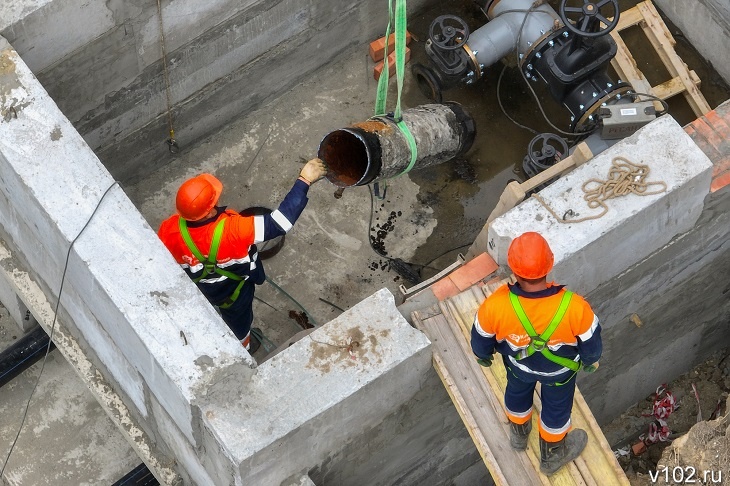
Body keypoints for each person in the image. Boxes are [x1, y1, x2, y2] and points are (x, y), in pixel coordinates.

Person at [158, 158, 328, 353]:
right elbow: (279, 223)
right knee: (239, 325)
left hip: (201, 289)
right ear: (207, 211)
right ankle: (243, 348)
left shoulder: (168, 229)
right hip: (233, 294)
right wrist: (304, 180)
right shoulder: (233, 230)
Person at [470, 231, 602, 475]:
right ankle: (551, 456)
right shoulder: (574, 306)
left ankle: (519, 435)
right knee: (556, 408)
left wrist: (483, 356)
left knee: (517, 395)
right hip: (560, 373)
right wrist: (591, 361)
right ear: (549, 265)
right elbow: (591, 343)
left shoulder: (495, 306)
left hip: (520, 368)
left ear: (513, 268)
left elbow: (481, 340)